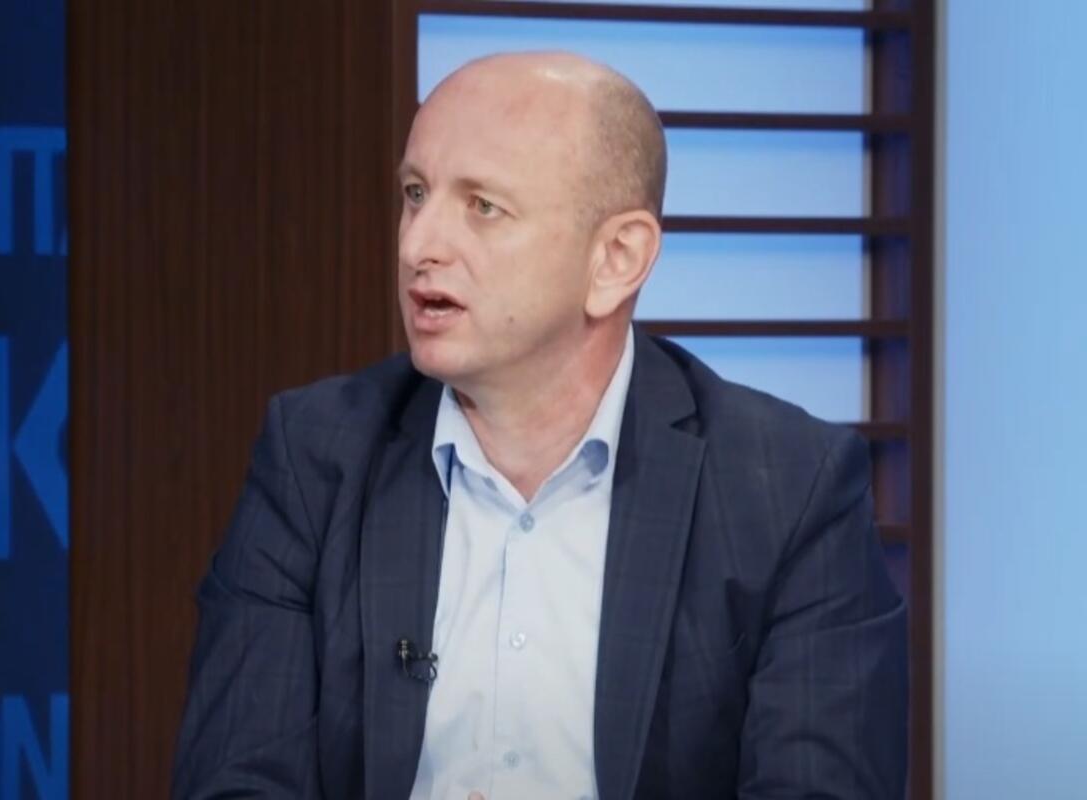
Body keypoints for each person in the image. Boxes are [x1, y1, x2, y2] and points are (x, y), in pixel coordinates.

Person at [172, 52, 908, 800]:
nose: (418, 245)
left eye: (483, 206)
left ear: (616, 259)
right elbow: (238, 779)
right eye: (415, 194)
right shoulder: (315, 454)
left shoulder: (787, 489)